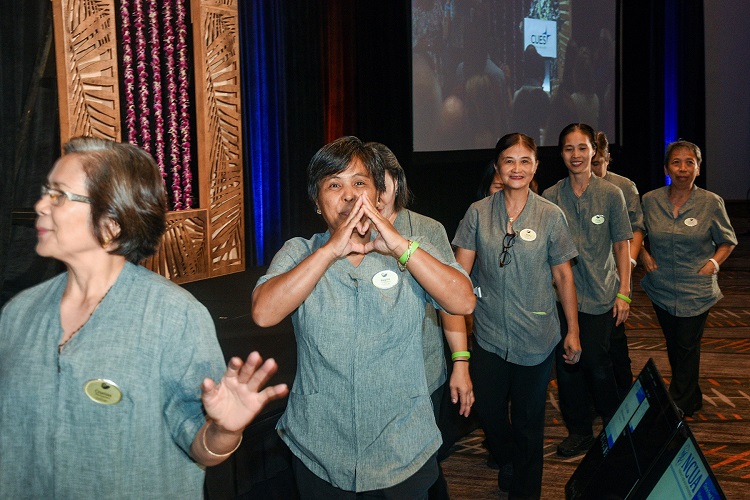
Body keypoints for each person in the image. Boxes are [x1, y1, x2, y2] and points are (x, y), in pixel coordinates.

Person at [0, 137, 288, 498]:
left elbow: (202, 448)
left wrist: (224, 430)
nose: (41, 205)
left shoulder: (173, 316)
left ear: (112, 223)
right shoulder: (18, 313)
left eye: (59, 195)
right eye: (46, 191)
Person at [251, 136, 475, 498]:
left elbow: (463, 302)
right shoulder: (300, 252)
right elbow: (264, 312)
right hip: (321, 451)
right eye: (334, 184)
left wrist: (400, 247)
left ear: (378, 195)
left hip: (403, 449)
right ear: (317, 201)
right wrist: (329, 251)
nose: (349, 195)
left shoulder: (415, 252)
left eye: (360, 183)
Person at [453, 133, 581, 498]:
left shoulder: (551, 215)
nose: (517, 168)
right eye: (510, 160)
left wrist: (573, 330)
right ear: (498, 165)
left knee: (529, 424)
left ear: (536, 166)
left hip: (537, 337)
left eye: (525, 161)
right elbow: (459, 277)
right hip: (490, 334)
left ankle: (526, 489)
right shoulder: (478, 212)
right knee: (489, 414)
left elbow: (563, 276)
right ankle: (508, 457)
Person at [367, 141, 473, 499]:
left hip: (423, 374)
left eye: (381, 182)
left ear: (397, 180)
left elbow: (452, 303)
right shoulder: (348, 235)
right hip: (372, 381)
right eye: (365, 183)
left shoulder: (427, 230)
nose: (376, 195)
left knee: (423, 463)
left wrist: (460, 363)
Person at [542, 123, 632, 458]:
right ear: (561, 153)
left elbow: (622, 245)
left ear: (594, 151)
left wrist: (624, 292)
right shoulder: (550, 197)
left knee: (596, 362)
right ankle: (579, 431)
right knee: (567, 367)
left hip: (600, 297)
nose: (576, 155)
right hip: (561, 300)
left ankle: (615, 427)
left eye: (582, 148)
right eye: (568, 149)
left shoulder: (611, 194)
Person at [639, 140, 737, 417]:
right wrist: (644, 256)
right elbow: (634, 233)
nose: (683, 168)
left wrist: (712, 264)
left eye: (689, 162)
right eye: (676, 162)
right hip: (660, 287)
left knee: (686, 345)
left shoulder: (711, 202)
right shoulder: (650, 200)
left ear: (698, 167)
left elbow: (728, 242)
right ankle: (692, 397)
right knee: (675, 344)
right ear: (666, 167)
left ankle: (678, 403)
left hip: (696, 288)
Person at [592, 131, 645, 395]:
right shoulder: (567, 188)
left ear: (607, 159)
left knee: (615, 343)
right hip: (589, 280)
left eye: (598, 163)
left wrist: (630, 263)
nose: (594, 169)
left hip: (617, 276)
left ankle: (624, 396)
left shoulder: (623, 188)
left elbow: (636, 230)